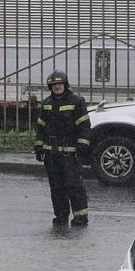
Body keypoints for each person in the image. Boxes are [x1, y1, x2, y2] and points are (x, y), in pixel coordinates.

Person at [34, 70, 91, 226]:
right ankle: (61, 215)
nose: (57, 87)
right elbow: (40, 127)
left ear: (65, 85)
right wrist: (39, 148)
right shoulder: (46, 104)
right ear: (50, 86)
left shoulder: (77, 102)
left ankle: (80, 216)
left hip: (70, 153)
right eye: (54, 85)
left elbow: (85, 126)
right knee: (56, 187)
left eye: (59, 84)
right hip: (51, 154)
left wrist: (82, 146)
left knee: (74, 185)